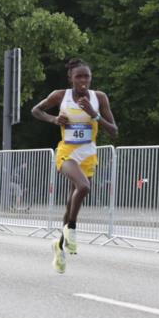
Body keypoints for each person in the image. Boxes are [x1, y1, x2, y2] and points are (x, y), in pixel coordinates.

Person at [32, 58, 118, 274]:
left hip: (88, 155)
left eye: (86, 76)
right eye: (78, 76)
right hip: (67, 153)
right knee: (84, 187)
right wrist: (54, 120)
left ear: (91, 78)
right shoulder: (60, 96)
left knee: (72, 204)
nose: (83, 80)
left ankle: (59, 247)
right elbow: (36, 110)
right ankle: (72, 229)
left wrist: (94, 114)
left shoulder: (99, 98)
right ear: (70, 78)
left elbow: (114, 131)